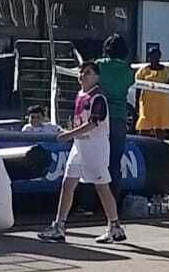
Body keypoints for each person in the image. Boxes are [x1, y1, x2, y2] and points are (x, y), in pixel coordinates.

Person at [40, 61, 126, 244]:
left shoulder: (98, 97)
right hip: (79, 147)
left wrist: (69, 135)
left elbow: (94, 123)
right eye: (81, 72)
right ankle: (59, 226)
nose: (82, 76)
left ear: (96, 76)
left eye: (87, 73)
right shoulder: (80, 95)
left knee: (102, 186)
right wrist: (70, 132)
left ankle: (115, 226)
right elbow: (80, 121)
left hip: (96, 148)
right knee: (68, 183)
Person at [97, 34, 135, 198]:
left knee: (95, 159)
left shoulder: (98, 65)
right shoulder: (129, 71)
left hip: (98, 115)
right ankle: (113, 200)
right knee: (114, 161)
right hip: (119, 117)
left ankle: (89, 202)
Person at [134, 46, 169, 138]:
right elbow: (138, 87)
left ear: (159, 57)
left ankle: (159, 145)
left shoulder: (167, 71)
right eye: (151, 56)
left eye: (155, 56)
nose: (153, 58)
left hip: (162, 104)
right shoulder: (143, 71)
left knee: (160, 128)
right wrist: (137, 103)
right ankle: (144, 144)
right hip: (147, 103)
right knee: (144, 126)